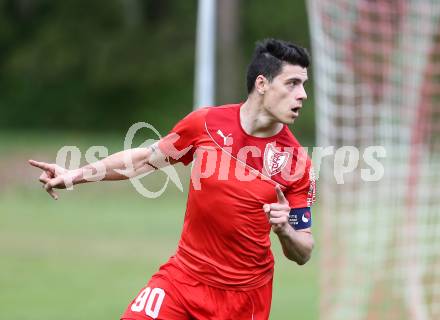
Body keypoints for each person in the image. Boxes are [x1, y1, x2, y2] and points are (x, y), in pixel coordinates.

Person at [29, 38, 316, 320]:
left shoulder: (296, 162)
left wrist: (285, 231)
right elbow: (144, 160)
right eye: (292, 83)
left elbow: (303, 250)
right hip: (182, 279)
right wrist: (76, 174)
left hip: (242, 300)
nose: (302, 94)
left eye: (303, 85)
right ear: (262, 84)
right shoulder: (205, 124)